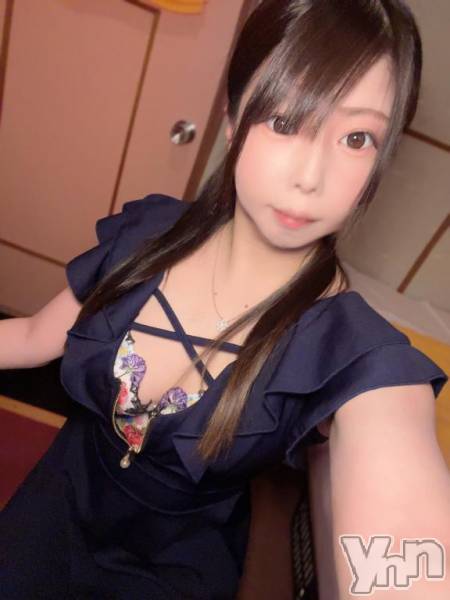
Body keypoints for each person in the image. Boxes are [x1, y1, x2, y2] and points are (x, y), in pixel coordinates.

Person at [0, 0, 449, 598]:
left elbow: (406, 537)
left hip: (177, 567)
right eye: (285, 121)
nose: (310, 176)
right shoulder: (146, 234)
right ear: (234, 117)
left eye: (356, 138)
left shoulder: (355, 355)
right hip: (58, 500)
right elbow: (33, 336)